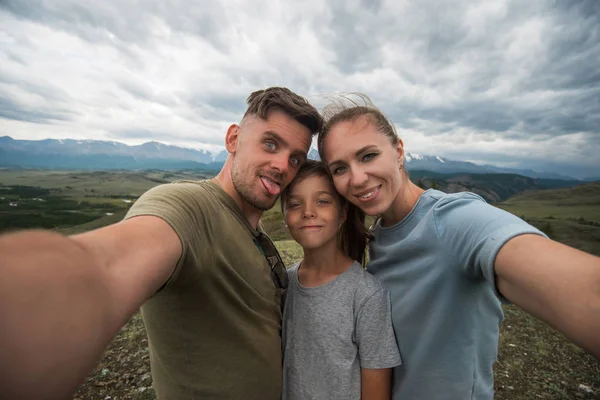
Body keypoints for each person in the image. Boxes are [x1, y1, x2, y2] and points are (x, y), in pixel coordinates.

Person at [0, 87, 323, 400]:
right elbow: (103, 266)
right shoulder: (189, 207)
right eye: (270, 144)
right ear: (234, 139)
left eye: (295, 159)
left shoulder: (253, 230)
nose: (282, 166)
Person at [316, 96, 600, 400]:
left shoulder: (453, 220)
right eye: (340, 168)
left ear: (398, 151)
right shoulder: (379, 236)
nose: (357, 178)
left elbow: (582, 289)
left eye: (368, 156)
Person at [280, 160, 401, 400]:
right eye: (295, 204)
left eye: (322, 201)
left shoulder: (367, 295)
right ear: (284, 215)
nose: (308, 211)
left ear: (343, 212)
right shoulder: (284, 283)